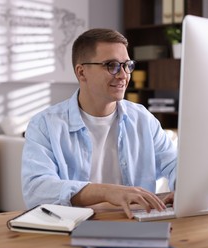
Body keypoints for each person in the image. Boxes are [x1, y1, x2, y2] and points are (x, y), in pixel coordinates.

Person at [21, 28, 177, 219]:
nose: (123, 75)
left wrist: (184, 189)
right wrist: (106, 192)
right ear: (81, 72)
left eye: (127, 65)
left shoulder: (143, 119)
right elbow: (36, 190)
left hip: (137, 224)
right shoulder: (44, 125)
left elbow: (175, 164)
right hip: (72, 229)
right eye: (111, 65)